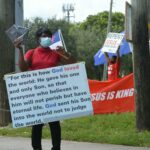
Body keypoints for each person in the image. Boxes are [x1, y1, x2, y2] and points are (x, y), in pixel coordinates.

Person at [14, 27, 76, 150]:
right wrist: (20, 50)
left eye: (49, 36)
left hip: (52, 93)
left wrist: (65, 53)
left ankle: (56, 147)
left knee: (54, 123)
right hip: (37, 93)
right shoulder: (32, 52)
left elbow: (73, 64)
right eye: (43, 36)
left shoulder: (55, 52)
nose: (47, 38)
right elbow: (23, 68)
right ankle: (37, 148)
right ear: (38, 39)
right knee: (37, 123)